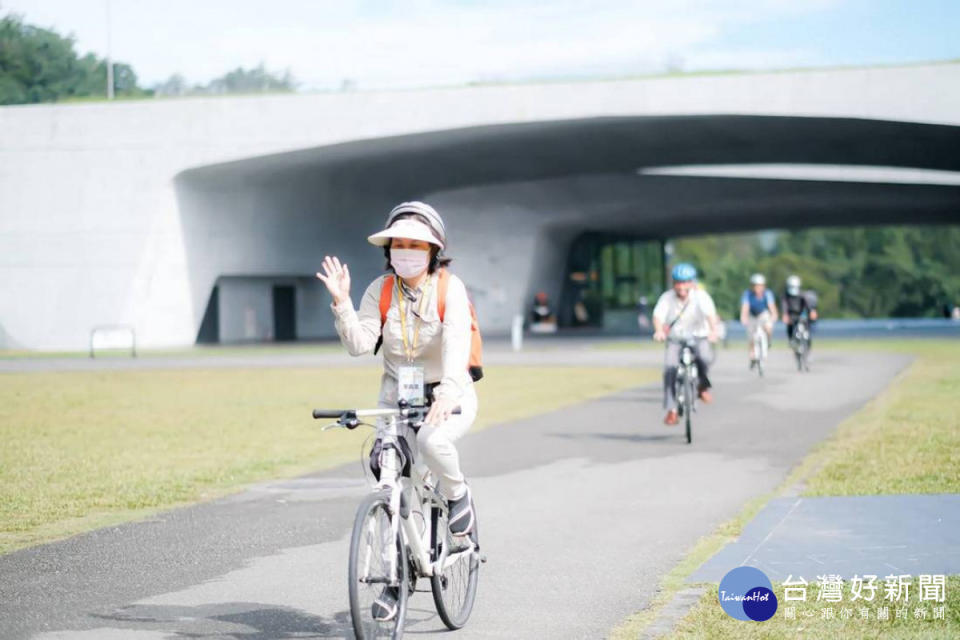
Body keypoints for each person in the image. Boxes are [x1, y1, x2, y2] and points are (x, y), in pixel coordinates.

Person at [316, 201, 477, 622]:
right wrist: (342, 303)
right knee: (387, 470)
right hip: (396, 398)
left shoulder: (449, 288)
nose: (405, 252)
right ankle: (395, 575)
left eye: (415, 245)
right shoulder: (380, 290)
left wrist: (446, 394)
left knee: (430, 440)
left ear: (432, 251)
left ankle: (458, 497)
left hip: (447, 392)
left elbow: (458, 349)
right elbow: (358, 344)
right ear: (388, 251)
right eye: (398, 244)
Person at [652, 263, 720, 426]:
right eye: (677, 282)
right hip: (676, 338)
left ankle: (702, 387)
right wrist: (659, 330)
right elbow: (658, 316)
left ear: (692, 283)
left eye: (685, 282)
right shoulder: (667, 298)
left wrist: (713, 331)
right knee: (669, 368)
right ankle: (671, 410)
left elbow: (710, 315)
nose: (681, 286)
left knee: (704, 357)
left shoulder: (701, 297)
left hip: (699, 336)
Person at [739, 273, 778, 367]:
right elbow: (745, 307)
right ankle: (752, 356)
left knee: (768, 327)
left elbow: (771, 307)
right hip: (752, 315)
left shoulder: (767, 294)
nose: (758, 288)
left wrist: (774, 316)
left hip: (763, 314)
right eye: (756, 286)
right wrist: (743, 317)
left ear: (763, 286)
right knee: (751, 336)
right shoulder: (747, 294)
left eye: (760, 286)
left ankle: (768, 341)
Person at [781, 275, 818, 348]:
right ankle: (791, 339)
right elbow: (784, 306)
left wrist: (811, 312)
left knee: (807, 329)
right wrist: (785, 314)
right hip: (792, 314)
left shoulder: (802, 295)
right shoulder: (785, 296)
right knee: (790, 324)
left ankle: (807, 344)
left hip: (802, 313)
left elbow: (808, 305)